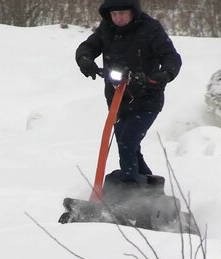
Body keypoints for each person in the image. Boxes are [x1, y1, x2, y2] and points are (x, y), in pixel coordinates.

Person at [76, 0, 181, 186]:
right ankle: (150, 187)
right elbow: (88, 47)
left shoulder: (150, 28)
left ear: (133, 12)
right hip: (117, 99)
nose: (118, 18)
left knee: (128, 142)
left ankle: (131, 187)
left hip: (147, 97)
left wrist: (164, 74)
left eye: (122, 13)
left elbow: (170, 56)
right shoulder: (106, 29)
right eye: (114, 14)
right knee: (128, 146)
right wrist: (85, 60)